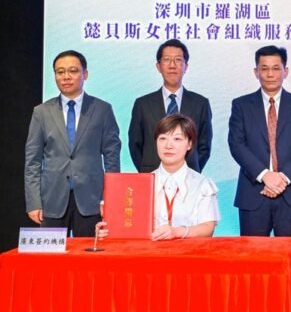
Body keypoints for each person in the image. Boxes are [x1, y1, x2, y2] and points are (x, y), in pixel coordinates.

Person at [24, 50, 121, 237]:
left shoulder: (102, 109)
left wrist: (110, 199)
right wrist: (34, 202)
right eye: (60, 72)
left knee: (89, 261)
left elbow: (112, 156)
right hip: (51, 199)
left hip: (91, 200)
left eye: (73, 71)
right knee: (50, 263)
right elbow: (32, 161)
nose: (66, 77)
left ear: (85, 74)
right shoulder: (41, 112)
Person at [228, 45, 291, 236]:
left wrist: (281, 179)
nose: (270, 74)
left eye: (276, 68)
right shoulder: (241, 105)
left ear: (286, 71)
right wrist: (265, 175)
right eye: (264, 68)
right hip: (253, 193)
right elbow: (237, 145)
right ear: (255, 72)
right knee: (254, 260)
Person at [96, 114, 220, 240]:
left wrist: (177, 232)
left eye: (177, 139)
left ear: (189, 144)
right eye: (162, 138)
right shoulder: (139, 185)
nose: (168, 145)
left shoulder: (202, 184)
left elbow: (208, 228)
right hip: (149, 255)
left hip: (190, 255)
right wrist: (110, 229)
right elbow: (129, 226)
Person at [128, 39, 213, 172]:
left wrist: (190, 172)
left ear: (186, 66)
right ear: (158, 66)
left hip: (189, 178)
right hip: (152, 177)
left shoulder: (200, 104)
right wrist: (148, 173)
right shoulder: (142, 104)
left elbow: (204, 146)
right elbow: (135, 145)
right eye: (167, 59)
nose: (172, 65)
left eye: (178, 60)